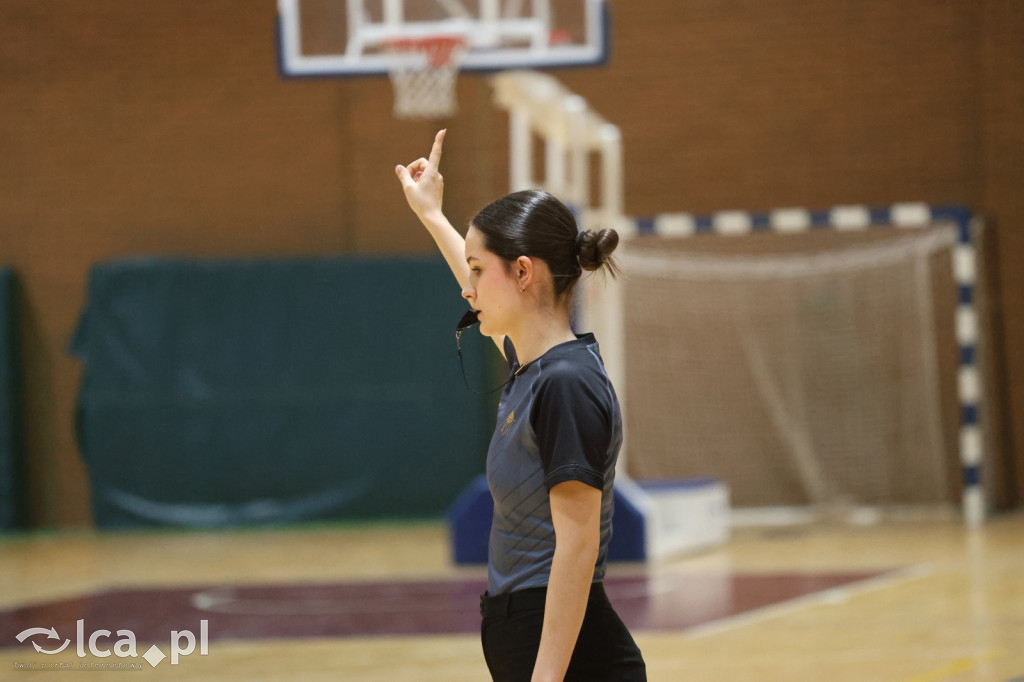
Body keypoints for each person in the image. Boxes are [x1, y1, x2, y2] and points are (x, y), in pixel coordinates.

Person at [395, 130, 646, 682]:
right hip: (527, 639)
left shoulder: (567, 384)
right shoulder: (534, 371)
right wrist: (431, 214)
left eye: (479, 271)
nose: (469, 290)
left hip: (576, 661)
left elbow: (577, 547)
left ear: (524, 272)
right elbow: (483, 288)